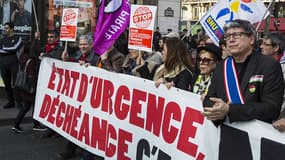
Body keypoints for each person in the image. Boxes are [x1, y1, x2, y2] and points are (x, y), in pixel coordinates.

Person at [202, 19, 284, 159]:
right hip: (225, 138)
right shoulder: (222, 66)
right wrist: (216, 109)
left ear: (251, 39)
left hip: (255, 145)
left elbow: (271, 108)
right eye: (228, 36)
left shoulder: (269, 65)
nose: (231, 40)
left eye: (237, 35)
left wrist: (229, 110)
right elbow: (209, 98)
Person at [259, 32, 285, 132]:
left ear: (276, 48)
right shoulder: (261, 65)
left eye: (266, 44)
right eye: (261, 43)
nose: (261, 46)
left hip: (278, 124)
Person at [0, 22, 23, 109]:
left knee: (16, 83)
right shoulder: (2, 39)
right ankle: (11, 101)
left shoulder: (17, 38)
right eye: (4, 28)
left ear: (11, 29)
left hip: (13, 63)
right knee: (7, 83)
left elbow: (15, 48)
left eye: (6, 28)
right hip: (3, 64)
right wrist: (7, 51)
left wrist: (4, 49)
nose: (5, 30)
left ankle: (19, 102)